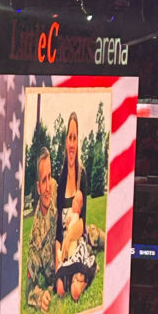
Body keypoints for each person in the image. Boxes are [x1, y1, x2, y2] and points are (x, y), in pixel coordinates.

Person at [55, 112, 97, 302]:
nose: (72, 144)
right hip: (64, 241)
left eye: (75, 138)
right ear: (65, 142)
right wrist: (58, 263)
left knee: (95, 239)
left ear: (78, 142)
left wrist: (68, 241)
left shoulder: (83, 175)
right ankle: (74, 278)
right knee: (61, 288)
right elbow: (57, 229)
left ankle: (99, 238)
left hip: (78, 236)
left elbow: (82, 223)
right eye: (69, 138)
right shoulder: (59, 177)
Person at [26, 147, 58, 312]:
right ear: (38, 188)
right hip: (57, 277)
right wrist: (40, 297)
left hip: (70, 252)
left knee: (93, 234)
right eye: (44, 181)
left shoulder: (55, 189)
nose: (48, 188)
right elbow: (29, 288)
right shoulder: (36, 238)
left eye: (50, 177)